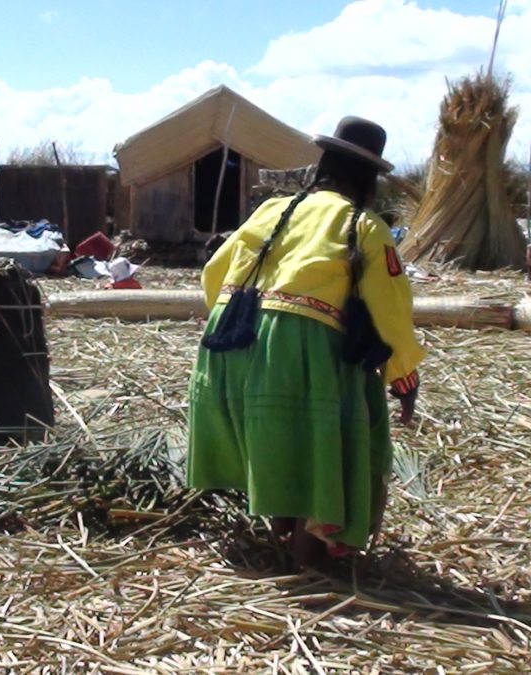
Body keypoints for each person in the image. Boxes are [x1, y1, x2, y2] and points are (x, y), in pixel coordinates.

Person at [187, 117, 426, 569]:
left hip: (228, 333)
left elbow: (215, 271)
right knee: (324, 437)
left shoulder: (272, 210)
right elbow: (390, 307)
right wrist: (403, 376)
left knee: (277, 432)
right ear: (368, 179)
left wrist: (239, 326)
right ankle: (308, 564)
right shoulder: (365, 226)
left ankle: (279, 531)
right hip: (297, 341)